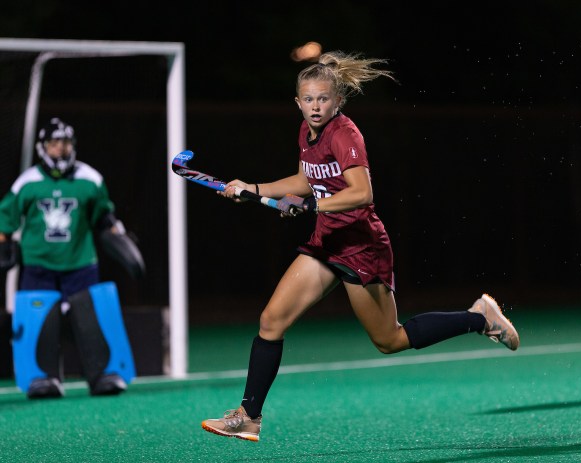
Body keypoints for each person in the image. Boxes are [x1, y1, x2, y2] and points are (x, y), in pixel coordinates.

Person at [201, 51, 520, 442]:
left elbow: (362, 193)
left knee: (390, 340)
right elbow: (305, 181)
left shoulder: (344, 134)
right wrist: (251, 188)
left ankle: (480, 318)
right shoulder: (306, 132)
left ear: (337, 101)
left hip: (361, 246)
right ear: (297, 102)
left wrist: (313, 205)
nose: (316, 106)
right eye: (309, 99)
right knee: (271, 321)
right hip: (327, 241)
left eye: (323, 99)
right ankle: (249, 416)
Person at [0, 117, 143, 399]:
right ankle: (43, 377)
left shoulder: (90, 180)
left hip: (80, 264)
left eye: (65, 143)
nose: (61, 150)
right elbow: (5, 220)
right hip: (39, 265)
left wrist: (119, 236)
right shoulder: (27, 183)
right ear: (43, 147)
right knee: (40, 321)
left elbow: (104, 217)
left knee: (92, 320)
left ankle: (104, 373)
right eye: (55, 144)